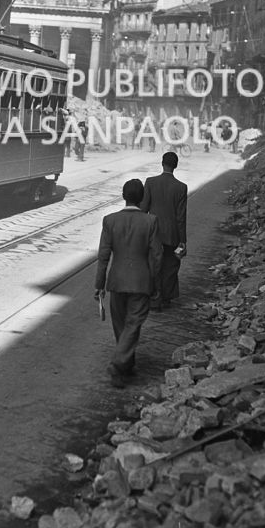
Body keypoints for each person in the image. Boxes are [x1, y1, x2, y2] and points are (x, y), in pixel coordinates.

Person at [94, 179, 162, 388]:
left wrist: (99, 284)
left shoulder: (110, 220)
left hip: (117, 281)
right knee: (133, 325)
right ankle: (118, 364)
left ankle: (126, 364)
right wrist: (155, 283)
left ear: (124, 196)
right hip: (141, 282)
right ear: (141, 198)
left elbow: (103, 256)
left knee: (121, 325)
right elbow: (157, 256)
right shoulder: (150, 222)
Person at [139, 151, 188, 310]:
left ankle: (154, 297)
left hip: (153, 234)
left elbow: (143, 209)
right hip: (172, 235)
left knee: (153, 265)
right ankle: (166, 298)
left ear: (162, 163)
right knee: (170, 266)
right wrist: (183, 241)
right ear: (176, 166)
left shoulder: (151, 182)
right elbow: (181, 217)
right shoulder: (181, 187)